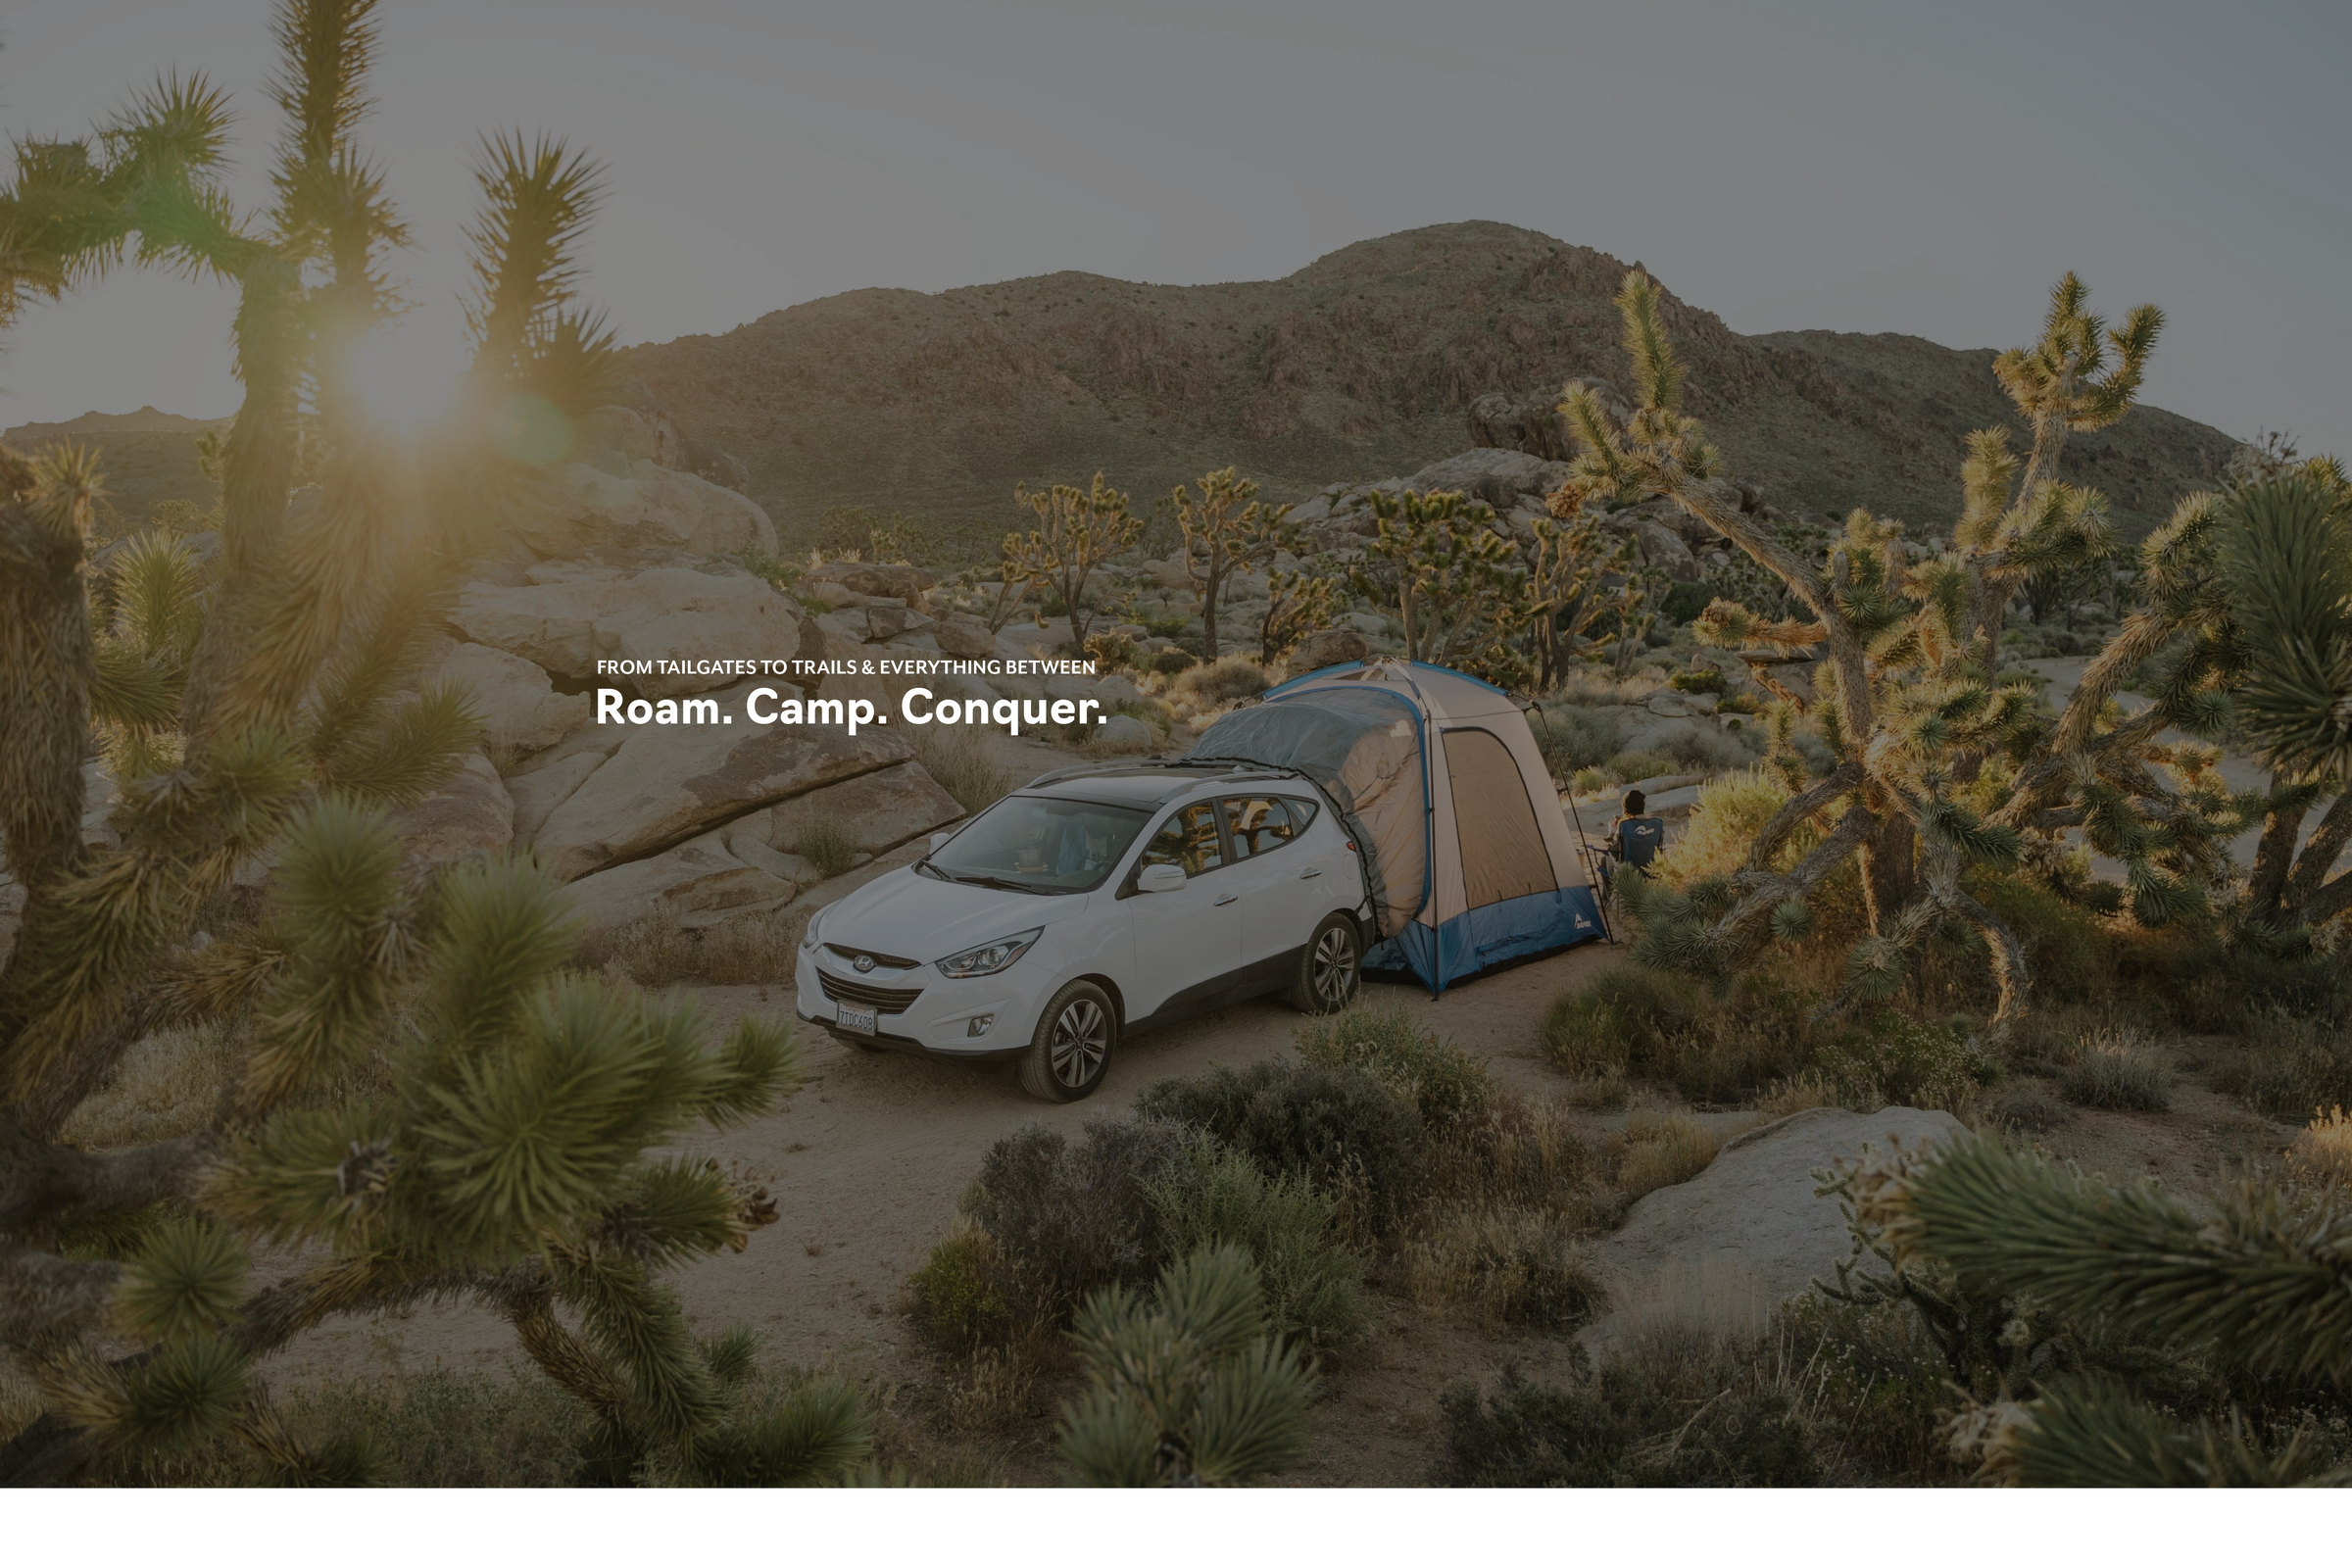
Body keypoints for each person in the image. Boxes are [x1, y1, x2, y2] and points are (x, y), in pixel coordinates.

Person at [1601, 789, 1665, 882]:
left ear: (1625, 809)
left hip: (1629, 874)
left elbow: (1611, 852)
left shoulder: (1624, 826)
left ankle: (1606, 896)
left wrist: (1612, 831)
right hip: (1652, 871)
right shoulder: (1656, 823)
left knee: (1604, 859)